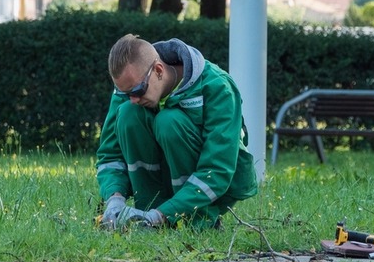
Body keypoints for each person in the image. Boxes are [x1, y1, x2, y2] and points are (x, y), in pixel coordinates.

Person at [97, 34, 258, 230]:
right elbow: (110, 156)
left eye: (137, 91)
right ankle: (148, 215)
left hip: (214, 187)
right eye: (125, 93)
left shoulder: (218, 86)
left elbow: (218, 170)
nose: (132, 98)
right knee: (129, 114)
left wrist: (162, 215)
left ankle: (198, 220)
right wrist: (115, 198)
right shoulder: (131, 87)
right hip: (156, 199)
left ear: (158, 70)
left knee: (169, 122)